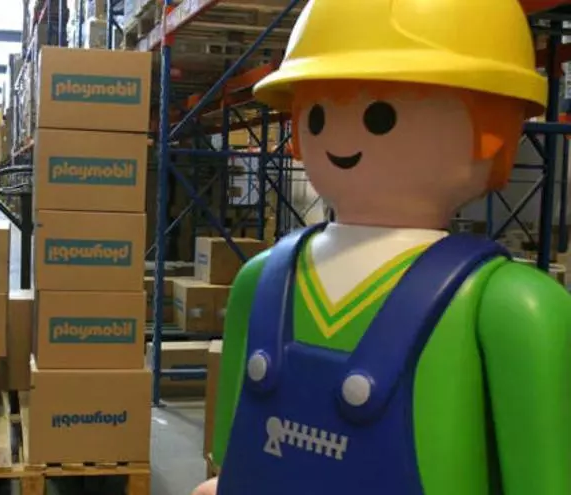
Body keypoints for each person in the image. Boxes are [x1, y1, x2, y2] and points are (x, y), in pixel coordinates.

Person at [198, 1, 571, 494]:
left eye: (380, 116)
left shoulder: (510, 306)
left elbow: (543, 475)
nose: (340, 138)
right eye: (318, 116)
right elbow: (230, 451)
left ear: (494, 131)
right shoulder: (262, 280)